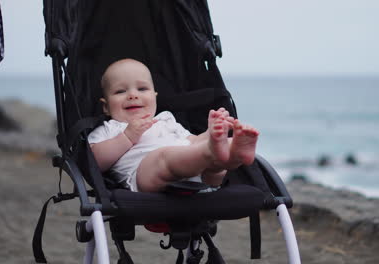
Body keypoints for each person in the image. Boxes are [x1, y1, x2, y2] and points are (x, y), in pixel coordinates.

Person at [88, 58, 259, 192]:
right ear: (106, 106)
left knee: (208, 159)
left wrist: (210, 133)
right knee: (165, 156)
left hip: (199, 177)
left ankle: (231, 153)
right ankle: (215, 151)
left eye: (142, 89)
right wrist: (127, 137)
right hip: (146, 176)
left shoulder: (165, 120)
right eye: (120, 91)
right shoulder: (110, 128)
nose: (133, 95)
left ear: (154, 96)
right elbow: (95, 161)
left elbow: (191, 140)